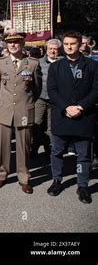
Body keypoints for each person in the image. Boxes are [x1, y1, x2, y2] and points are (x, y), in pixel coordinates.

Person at [47, 31, 98, 204]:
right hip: (62, 115)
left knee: (83, 155)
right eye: (66, 43)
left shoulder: (92, 65)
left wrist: (81, 106)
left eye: (73, 43)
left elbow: (96, 90)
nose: (69, 46)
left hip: (84, 116)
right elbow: (52, 90)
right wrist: (66, 107)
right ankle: (56, 180)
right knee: (57, 151)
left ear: (80, 45)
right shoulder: (56, 67)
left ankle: (82, 186)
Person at [0, 30, 42, 194]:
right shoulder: (0, 63)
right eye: (10, 42)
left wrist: (26, 102)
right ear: (7, 44)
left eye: (17, 42)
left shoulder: (33, 63)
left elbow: (37, 89)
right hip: (5, 110)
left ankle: (24, 178)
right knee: (3, 146)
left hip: (24, 110)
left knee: (23, 147)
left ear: (23, 44)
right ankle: (1, 175)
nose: (13, 45)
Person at [31, 39, 61, 157]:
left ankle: (49, 149)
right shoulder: (38, 62)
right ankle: (35, 147)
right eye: (51, 49)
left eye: (55, 49)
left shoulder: (63, 62)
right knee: (37, 123)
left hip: (55, 100)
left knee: (51, 127)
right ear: (46, 49)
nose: (53, 51)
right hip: (40, 98)